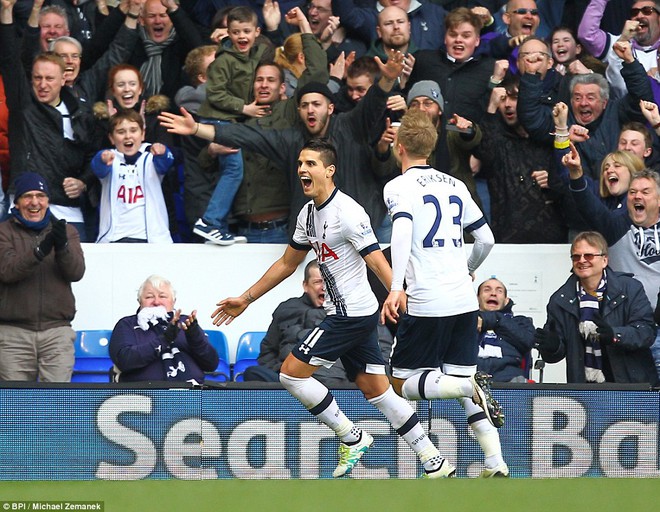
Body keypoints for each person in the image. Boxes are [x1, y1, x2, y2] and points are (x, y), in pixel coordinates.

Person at [213, 138, 455, 479]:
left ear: (330, 170)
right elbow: (286, 263)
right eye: (300, 164)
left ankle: (351, 436)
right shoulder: (308, 215)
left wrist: (402, 297)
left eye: (310, 164)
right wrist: (246, 298)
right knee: (378, 392)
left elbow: (376, 262)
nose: (302, 169)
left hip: (350, 315)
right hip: (356, 314)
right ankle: (434, 460)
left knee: (290, 374)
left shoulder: (349, 214)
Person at [159, 48, 406, 241]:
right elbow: (245, 135)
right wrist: (197, 129)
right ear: (298, 109)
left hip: (358, 234)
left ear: (330, 108)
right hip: (311, 239)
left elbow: (372, 104)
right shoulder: (290, 140)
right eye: (305, 105)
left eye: (317, 104)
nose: (311, 110)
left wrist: (386, 80)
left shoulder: (350, 125)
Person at [380, 109, 508, 478]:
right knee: (460, 380)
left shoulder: (398, 186)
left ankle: (469, 385)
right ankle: (495, 462)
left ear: (399, 147)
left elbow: (401, 232)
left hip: (427, 299)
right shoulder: (455, 185)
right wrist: (469, 267)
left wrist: (395, 286)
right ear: (432, 148)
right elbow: (486, 238)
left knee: (402, 383)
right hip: (464, 300)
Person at [1, 0, 98, 241]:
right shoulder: (23, 105)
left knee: (76, 274)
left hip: (67, 209)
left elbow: (91, 154)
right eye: (37, 78)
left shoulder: (80, 112)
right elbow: (12, 60)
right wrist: (7, 12)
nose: (42, 85)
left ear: (64, 79)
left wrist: (83, 182)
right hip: (25, 205)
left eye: (49, 79)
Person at [194, 5, 275, 246]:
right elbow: (215, 94)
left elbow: (270, 54)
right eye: (236, 32)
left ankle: (216, 224)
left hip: (230, 121)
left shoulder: (254, 54)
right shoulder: (223, 60)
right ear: (227, 33)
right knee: (233, 171)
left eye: (247, 31)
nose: (242, 36)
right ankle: (209, 222)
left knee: (233, 171)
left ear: (256, 32)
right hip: (219, 120)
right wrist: (244, 108)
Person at [534, 231, 658, 385]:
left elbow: (646, 332)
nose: (582, 260)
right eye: (576, 256)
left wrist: (614, 334)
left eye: (589, 256)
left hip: (630, 386)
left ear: (604, 260)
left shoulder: (630, 288)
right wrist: (552, 347)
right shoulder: (560, 300)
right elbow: (555, 355)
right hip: (586, 390)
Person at [0, 172, 85, 382]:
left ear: (48, 201)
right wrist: (41, 250)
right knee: (15, 407)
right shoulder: (3, 232)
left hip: (57, 332)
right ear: (17, 202)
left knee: (55, 404)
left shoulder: (67, 230)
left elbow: (76, 272)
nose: (34, 202)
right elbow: (8, 271)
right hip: (13, 334)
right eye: (27, 196)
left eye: (40, 195)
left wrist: (62, 245)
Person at [243, 260, 351, 386]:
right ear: (305, 285)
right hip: (288, 382)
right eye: (318, 282)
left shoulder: (349, 312)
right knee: (252, 373)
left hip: (333, 383)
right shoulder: (286, 309)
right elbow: (268, 350)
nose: (324, 287)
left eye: (329, 282)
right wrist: (279, 369)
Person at [110, 274, 219, 383]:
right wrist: (165, 339)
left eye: (162, 296)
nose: (156, 302)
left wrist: (196, 339)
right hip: (140, 395)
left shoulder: (185, 323)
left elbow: (211, 364)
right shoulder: (127, 324)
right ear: (139, 301)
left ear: (173, 301)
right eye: (149, 297)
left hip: (189, 395)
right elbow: (124, 361)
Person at [91, 110, 174, 243]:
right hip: (114, 238)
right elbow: (98, 168)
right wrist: (102, 159)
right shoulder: (109, 156)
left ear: (143, 134)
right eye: (121, 132)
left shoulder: (151, 156)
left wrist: (163, 152)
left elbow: (166, 164)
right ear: (111, 138)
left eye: (133, 130)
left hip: (151, 239)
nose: (127, 136)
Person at [578, 0, 660, 97]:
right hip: (627, 110)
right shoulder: (618, 42)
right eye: (634, 12)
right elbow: (587, 35)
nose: (639, 16)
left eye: (647, 11)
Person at [477, 278, 535, 383]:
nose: (493, 293)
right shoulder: (465, 323)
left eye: (499, 291)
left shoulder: (520, 322)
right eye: (487, 290)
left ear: (506, 300)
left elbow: (527, 342)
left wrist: (493, 320)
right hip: (470, 381)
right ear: (477, 298)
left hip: (510, 381)